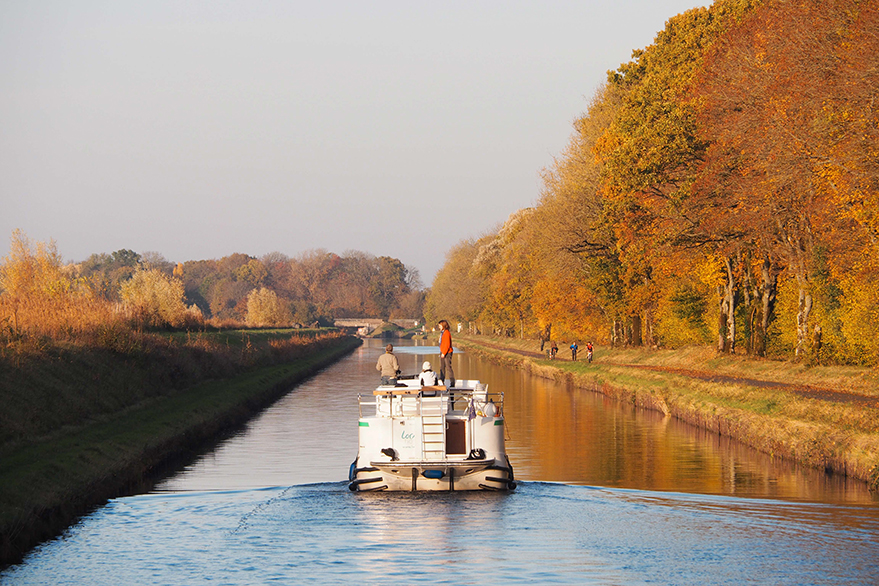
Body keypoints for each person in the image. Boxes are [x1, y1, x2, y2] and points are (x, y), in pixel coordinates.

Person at [438, 319, 455, 388]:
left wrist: (444, 353)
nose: (439, 327)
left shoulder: (447, 333)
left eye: (439, 325)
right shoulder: (443, 332)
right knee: (442, 367)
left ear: (443, 325)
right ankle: (441, 381)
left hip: (447, 353)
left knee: (448, 367)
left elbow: (447, 344)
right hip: (443, 352)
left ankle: (452, 382)